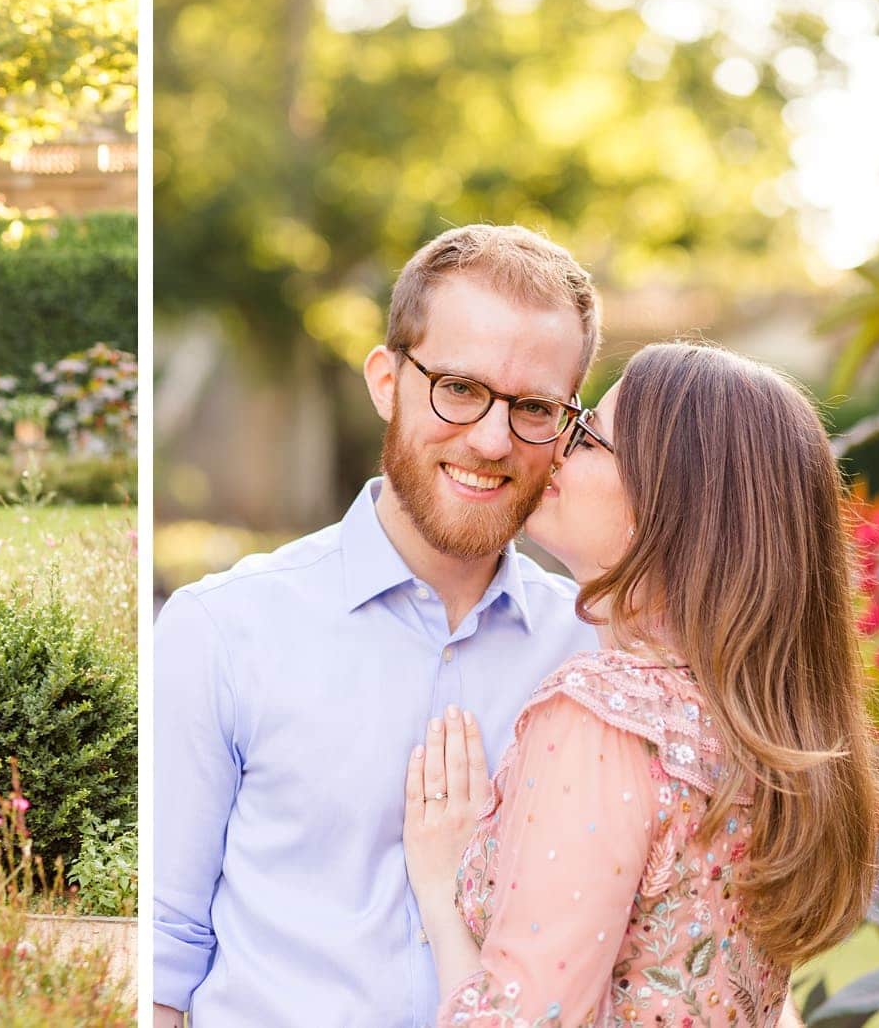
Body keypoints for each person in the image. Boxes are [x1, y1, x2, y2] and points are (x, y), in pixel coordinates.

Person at [154, 224, 604, 1027]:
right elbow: (161, 955)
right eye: (458, 389)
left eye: (533, 406)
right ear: (386, 380)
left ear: (567, 429)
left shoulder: (595, 659)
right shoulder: (222, 632)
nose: (493, 439)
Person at [402, 343, 879, 1028]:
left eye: (589, 437)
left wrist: (440, 889)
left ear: (671, 502)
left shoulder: (603, 718)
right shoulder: (761, 735)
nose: (555, 454)